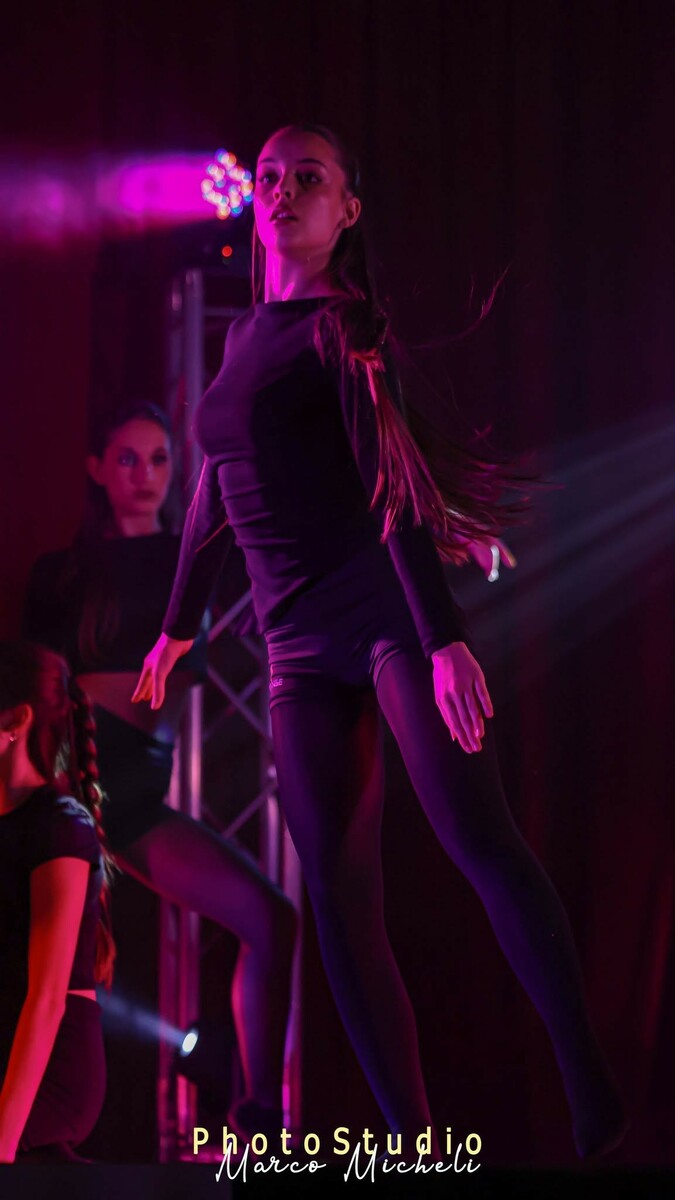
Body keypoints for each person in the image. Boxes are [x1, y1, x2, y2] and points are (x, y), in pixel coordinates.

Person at [132, 123, 627, 1159]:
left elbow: (390, 493)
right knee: (339, 900)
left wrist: (442, 642)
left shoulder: (343, 332)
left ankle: (591, 1091)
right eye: (270, 177)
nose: (282, 191)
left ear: (346, 211)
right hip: (295, 648)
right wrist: (176, 627)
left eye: (308, 178)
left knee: (477, 839)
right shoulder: (242, 338)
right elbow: (214, 492)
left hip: (386, 619)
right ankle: (413, 1146)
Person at [22, 403, 297, 1141]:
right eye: (127, 458)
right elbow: (28, 690)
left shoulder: (196, 557)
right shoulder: (62, 573)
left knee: (272, 917)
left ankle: (260, 1116)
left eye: (159, 459)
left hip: (140, 800)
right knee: (51, 965)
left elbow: (288, 562)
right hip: (73, 789)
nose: (144, 475)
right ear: (96, 469)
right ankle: (31, 1133)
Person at [0, 641, 112, 1163]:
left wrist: (1, 1144)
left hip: (51, 1069)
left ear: (15, 720)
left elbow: (46, 999)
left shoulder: (59, 826)